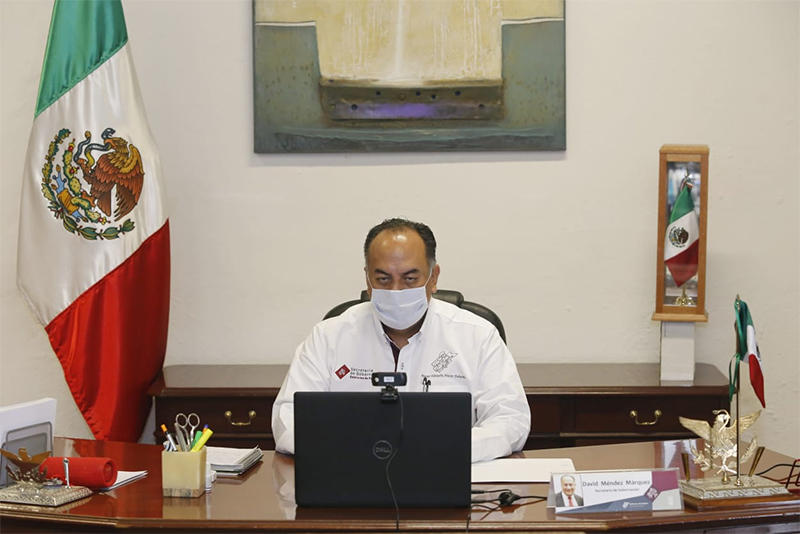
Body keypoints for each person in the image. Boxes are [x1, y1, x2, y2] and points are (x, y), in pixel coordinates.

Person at [271, 217, 530, 463]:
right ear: (367, 279)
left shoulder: (478, 336)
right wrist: (353, 447)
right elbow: (287, 418)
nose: (396, 290)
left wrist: (447, 446)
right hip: (352, 473)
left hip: (444, 471)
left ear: (433, 277)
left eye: (410, 278)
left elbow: (510, 420)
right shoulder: (328, 337)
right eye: (383, 279)